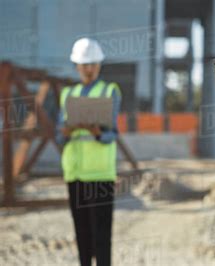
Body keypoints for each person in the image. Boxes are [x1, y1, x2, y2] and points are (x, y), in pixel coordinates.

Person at [56, 38, 121, 266]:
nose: (89, 68)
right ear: (77, 66)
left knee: (102, 236)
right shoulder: (67, 95)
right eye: (85, 64)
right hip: (74, 174)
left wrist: (97, 132)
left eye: (93, 63)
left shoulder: (109, 91)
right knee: (82, 234)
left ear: (99, 65)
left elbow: (114, 133)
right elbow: (59, 137)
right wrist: (66, 131)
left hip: (101, 174)